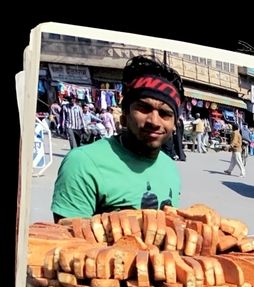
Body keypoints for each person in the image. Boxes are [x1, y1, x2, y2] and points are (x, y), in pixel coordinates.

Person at [50, 56, 183, 221]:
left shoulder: (170, 167)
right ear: (125, 114)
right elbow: (66, 242)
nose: (154, 121)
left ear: (175, 124)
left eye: (165, 114)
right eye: (143, 108)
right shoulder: (84, 163)